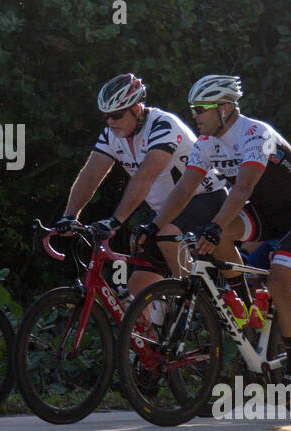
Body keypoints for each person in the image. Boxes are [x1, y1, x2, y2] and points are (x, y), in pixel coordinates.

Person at [138, 75, 291, 381]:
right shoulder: (207, 143)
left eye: (201, 109)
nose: (195, 115)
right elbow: (184, 189)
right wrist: (154, 224)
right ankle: (247, 310)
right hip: (265, 211)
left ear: (225, 108)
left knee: (279, 283)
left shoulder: (255, 133)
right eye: (193, 109)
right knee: (219, 235)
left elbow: (242, 189)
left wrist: (214, 225)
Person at [55, 73, 227, 294]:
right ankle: (155, 326)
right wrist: (70, 215)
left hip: (206, 197)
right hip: (167, 211)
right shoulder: (112, 134)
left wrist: (115, 221)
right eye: (106, 115)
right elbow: (91, 174)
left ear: (136, 109)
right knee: (138, 285)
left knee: (166, 234)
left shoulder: (163, 125)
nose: (110, 121)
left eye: (116, 115)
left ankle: (198, 307)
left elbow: (146, 175)